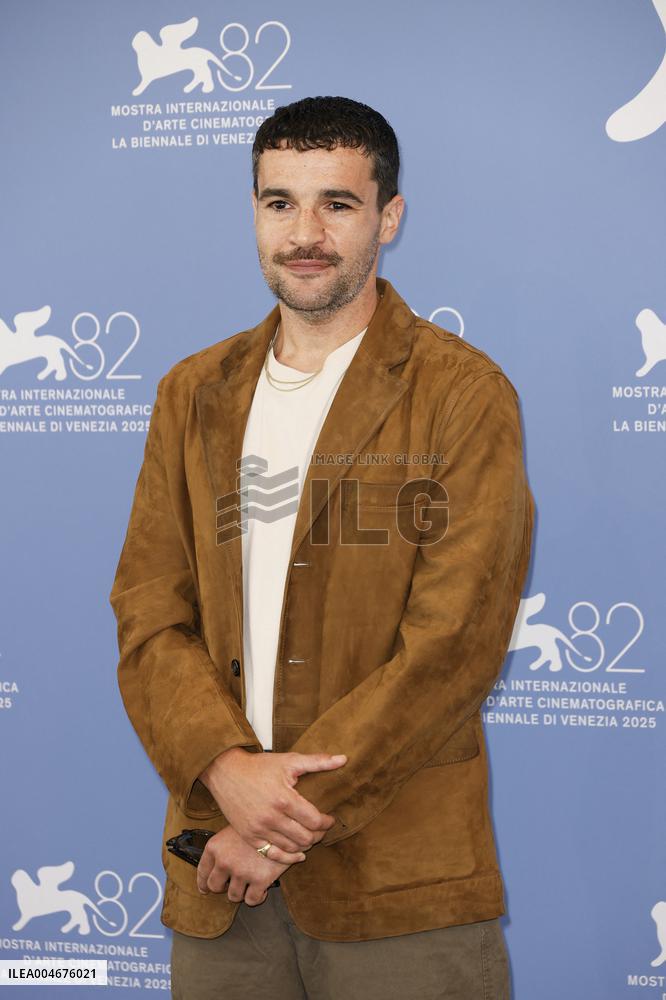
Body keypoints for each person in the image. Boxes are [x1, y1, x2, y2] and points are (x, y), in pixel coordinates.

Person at [109, 95, 535, 999]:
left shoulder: (463, 392)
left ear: (388, 217)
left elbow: (453, 645)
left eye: (336, 204)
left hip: (399, 888)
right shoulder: (192, 392)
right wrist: (226, 772)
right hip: (219, 885)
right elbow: (149, 613)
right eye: (279, 203)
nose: (305, 233)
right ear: (254, 213)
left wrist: (269, 824)